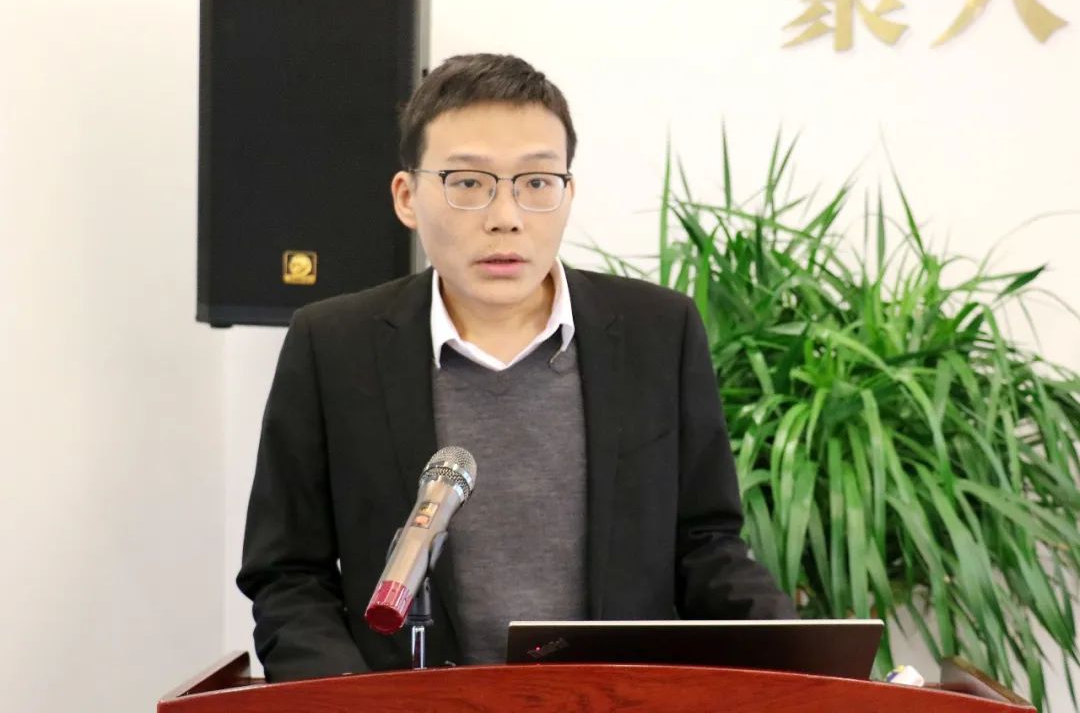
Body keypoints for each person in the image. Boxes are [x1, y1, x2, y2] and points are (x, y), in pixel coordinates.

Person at [237, 53, 795, 683]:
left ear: (567, 193)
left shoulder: (657, 332)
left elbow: (706, 547)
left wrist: (812, 662)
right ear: (407, 197)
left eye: (536, 182)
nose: (506, 216)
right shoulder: (333, 345)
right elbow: (288, 574)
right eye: (468, 182)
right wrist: (351, 701)